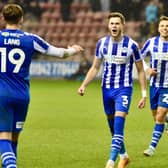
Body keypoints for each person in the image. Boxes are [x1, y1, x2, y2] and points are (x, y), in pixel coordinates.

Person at [0, 3, 83, 168]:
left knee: (3, 136)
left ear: (3, 18)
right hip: (22, 95)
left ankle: (11, 166)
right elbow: (59, 53)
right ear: (21, 19)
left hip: (2, 94)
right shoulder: (31, 39)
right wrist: (73, 49)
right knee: (15, 137)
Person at [78, 12, 147, 168]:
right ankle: (124, 156)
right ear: (108, 26)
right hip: (106, 90)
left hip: (124, 89)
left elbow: (141, 70)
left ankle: (110, 162)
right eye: (112, 23)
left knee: (118, 124)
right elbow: (95, 67)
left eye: (117, 23)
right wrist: (84, 85)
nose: (114, 26)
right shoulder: (102, 43)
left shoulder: (132, 45)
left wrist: (144, 94)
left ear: (123, 25)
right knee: (112, 128)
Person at [142, 15, 168, 157]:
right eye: (163, 26)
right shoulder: (151, 42)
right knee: (156, 117)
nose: (165, 28)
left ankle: (151, 147)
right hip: (154, 86)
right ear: (159, 28)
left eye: (167, 26)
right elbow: (139, 57)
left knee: (159, 116)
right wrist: (147, 69)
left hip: (167, 86)